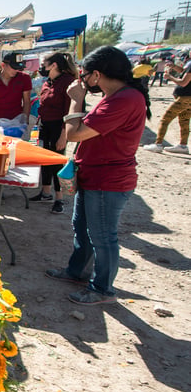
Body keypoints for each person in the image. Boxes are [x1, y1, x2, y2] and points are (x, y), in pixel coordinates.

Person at [45, 46, 147, 306]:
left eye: (85, 76)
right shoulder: (115, 97)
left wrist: (75, 99)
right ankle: (77, 271)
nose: (83, 81)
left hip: (108, 181)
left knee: (102, 236)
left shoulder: (125, 100)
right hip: (94, 176)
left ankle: (102, 289)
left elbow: (75, 133)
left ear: (97, 75)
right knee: (82, 228)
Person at [30, 52, 78, 214]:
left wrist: (64, 135)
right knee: (44, 160)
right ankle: (45, 192)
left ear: (54, 65)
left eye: (44, 64)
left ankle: (59, 198)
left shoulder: (67, 83)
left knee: (57, 161)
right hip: (45, 125)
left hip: (59, 127)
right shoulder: (48, 82)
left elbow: (69, 111)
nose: (41, 67)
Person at [142, 52, 191, 154]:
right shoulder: (189, 64)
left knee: (165, 119)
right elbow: (183, 72)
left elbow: (183, 82)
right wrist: (173, 67)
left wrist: (169, 77)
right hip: (188, 98)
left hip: (184, 98)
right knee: (184, 122)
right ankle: (183, 145)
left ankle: (158, 144)